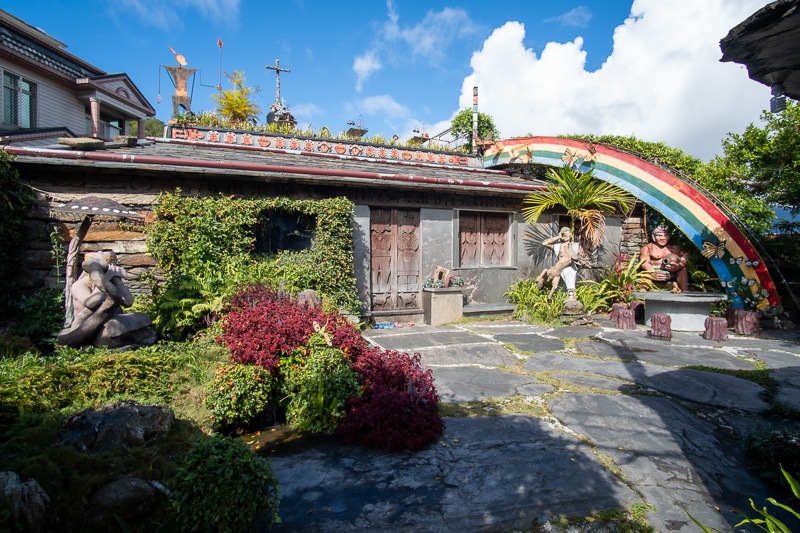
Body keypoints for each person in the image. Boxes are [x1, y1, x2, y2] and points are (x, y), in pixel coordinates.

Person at [536, 227, 591, 298]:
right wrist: (558, 237)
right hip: (558, 268)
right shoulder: (558, 246)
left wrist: (582, 261)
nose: (564, 234)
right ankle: (559, 299)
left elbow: (582, 256)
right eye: (563, 232)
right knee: (558, 287)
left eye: (566, 232)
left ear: (570, 234)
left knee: (568, 271)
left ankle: (571, 294)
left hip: (570, 267)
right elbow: (544, 243)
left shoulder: (575, 246)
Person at [640, 226, 689, 292]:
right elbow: (644, 263)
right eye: (659, 235)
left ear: (669, 236)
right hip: (653, 273)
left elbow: (686, 255)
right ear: (654, 237)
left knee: (683, 270)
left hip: (670, 274)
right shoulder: (648, 248)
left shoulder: (674, 248)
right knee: (646, 274)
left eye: (666, 235)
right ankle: (642, 294)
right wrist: (653, 273)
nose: (663, 238)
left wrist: (679, 266)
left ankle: (685, 291)